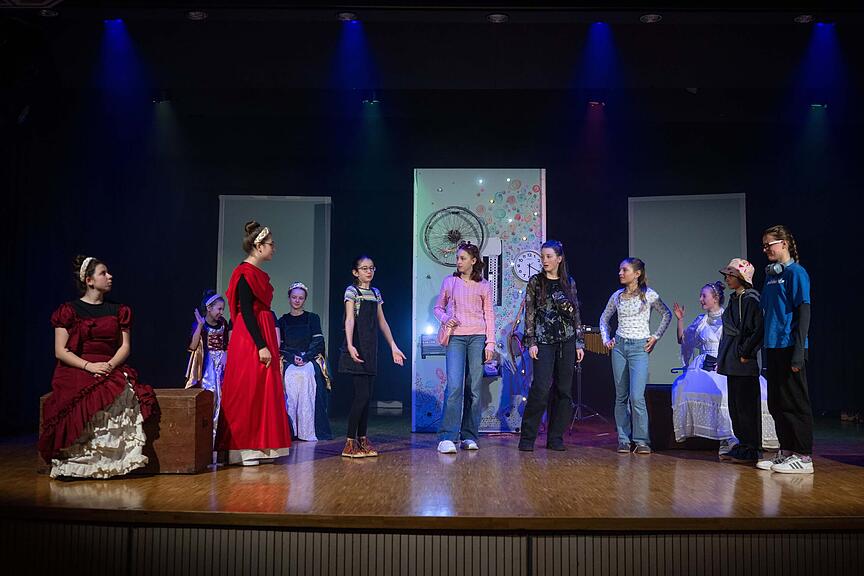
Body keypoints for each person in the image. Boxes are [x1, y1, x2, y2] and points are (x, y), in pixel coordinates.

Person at [39, 255, 157, 479]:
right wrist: (89, 366)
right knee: (80, 396)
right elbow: (60, 351)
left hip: (109, 364)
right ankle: (77, 462)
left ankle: (111, 462)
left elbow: (125, 347)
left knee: (121, 392)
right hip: (78, 366)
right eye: (103, 273)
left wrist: (109, 365)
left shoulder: (118, 310)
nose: (110, 276)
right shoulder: (69, 310)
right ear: (89, 280)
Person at [215, 221, 292, 466]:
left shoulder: (257, 273)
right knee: (247, 389)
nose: (273, 248)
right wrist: (261, 345)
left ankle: (263, 447)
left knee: (264, 390)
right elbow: (246, 312)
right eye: (270, 244)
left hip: (263, 330)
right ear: (258, 246)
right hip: (250, 336)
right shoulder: (244, 273)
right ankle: (243, 449)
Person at [517, 240, 585, 452]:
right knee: (541, 388)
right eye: (542, 256)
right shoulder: (536, 282)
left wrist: (579, 342)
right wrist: (531, 341)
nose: (544, 260)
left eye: (549, 256)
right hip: (544, 341)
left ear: (559, 259)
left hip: (567, 341)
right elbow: (529, 312)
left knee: (563, 391)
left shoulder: (568, 282)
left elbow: (576, 313)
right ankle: (527, 438)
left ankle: (555, 437)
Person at [756, 225, 814, 474]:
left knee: (795, 402)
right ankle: (787, 451)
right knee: (777, 403)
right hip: (773, 346)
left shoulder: (796, 273)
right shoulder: (771, 276)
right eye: (764, 246)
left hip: (791, 346)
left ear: (784, 244)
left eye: (769, 244)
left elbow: (803, 312)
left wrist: (799, 351)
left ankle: (804, 457)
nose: (765, 249)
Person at [600, 258, 672, 455]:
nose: (620, 273)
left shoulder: (649, 295)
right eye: (620, 270)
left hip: (639, 348)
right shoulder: (617, 296)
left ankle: (641, 440)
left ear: (637, 273)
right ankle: (624, 440)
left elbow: (666, 314)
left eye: (625, 270)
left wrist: (655, 337)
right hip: (619, 346)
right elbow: (604, 318)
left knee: (637, 396)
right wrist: (606, 338)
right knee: (621, 396)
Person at [338, 255, 406, 458]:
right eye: (364, 268)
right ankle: (349, 442)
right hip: (357, 346)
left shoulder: (376, 293)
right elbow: (350, 319)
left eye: (371, 268)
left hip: (371, 348)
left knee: (367, 397)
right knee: (361, 396)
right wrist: (350, 345)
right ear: (355, 272)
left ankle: (362, 439)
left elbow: (382, 322)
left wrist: (393, 345)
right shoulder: (352, 291)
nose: (369, 271)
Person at [433, 242, 496, 454]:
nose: (458, 262)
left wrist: (490, 342)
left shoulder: (484, 285)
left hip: (477, 337)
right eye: (458, 258)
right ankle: (447, 437)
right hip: (456, 339)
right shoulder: (450, 282)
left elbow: (489, 315)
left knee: (474, 389)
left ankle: (469, 435)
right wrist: (446, 318)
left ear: (473, 261)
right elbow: (438, 308)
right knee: (454, 387)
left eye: (463, 258)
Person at [717, 258, 778, 464]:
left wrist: (745, 352)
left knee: (746, 407)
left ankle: (752, 448)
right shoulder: (735, 299)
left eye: (731, 275)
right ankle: (743, 444)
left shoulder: (751, 300)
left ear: (742, 277)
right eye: (727, 275)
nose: (727, 278)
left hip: (743, 361)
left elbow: (758, 329)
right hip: (732, 359)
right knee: (735, 406)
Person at [672, 282, 740, 456]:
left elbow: (735, 343)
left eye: (704, 296)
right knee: (686, 389)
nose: (700, 299)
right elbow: (683, 340)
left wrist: (724, 360)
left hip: (724, 364)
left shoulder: (729, 318)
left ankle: (730, 438)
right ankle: (722, 438)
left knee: (726, 395)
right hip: (704, 365)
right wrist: (680, 320)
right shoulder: (700, 321)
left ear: (715, 298)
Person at [276, 282, 332, 441]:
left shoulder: (312, 318)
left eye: (300, 298)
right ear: (289, 298)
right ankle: (292, 430)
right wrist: (292, 357)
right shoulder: (283, 320)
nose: (297, 300)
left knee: (307, 376)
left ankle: (308, 429)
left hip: (309, 357)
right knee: (290, 377)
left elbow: (318, 342)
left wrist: (306, 357)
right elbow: (281, 346)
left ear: (304, 299)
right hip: (290, 358)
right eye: (294, 297)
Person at [186, 290, 230, 446]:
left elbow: (226, 343)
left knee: (223, 397)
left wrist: (225, 354)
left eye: (222, 309)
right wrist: (199, 326)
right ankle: (207, 440)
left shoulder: (223, 323)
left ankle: (219, 440)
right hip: (208, 364)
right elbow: (193, 346)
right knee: (211, 396)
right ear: (209, 308)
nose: (221, 312)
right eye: (219, 309)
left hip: (222, 363)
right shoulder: (201, 325)